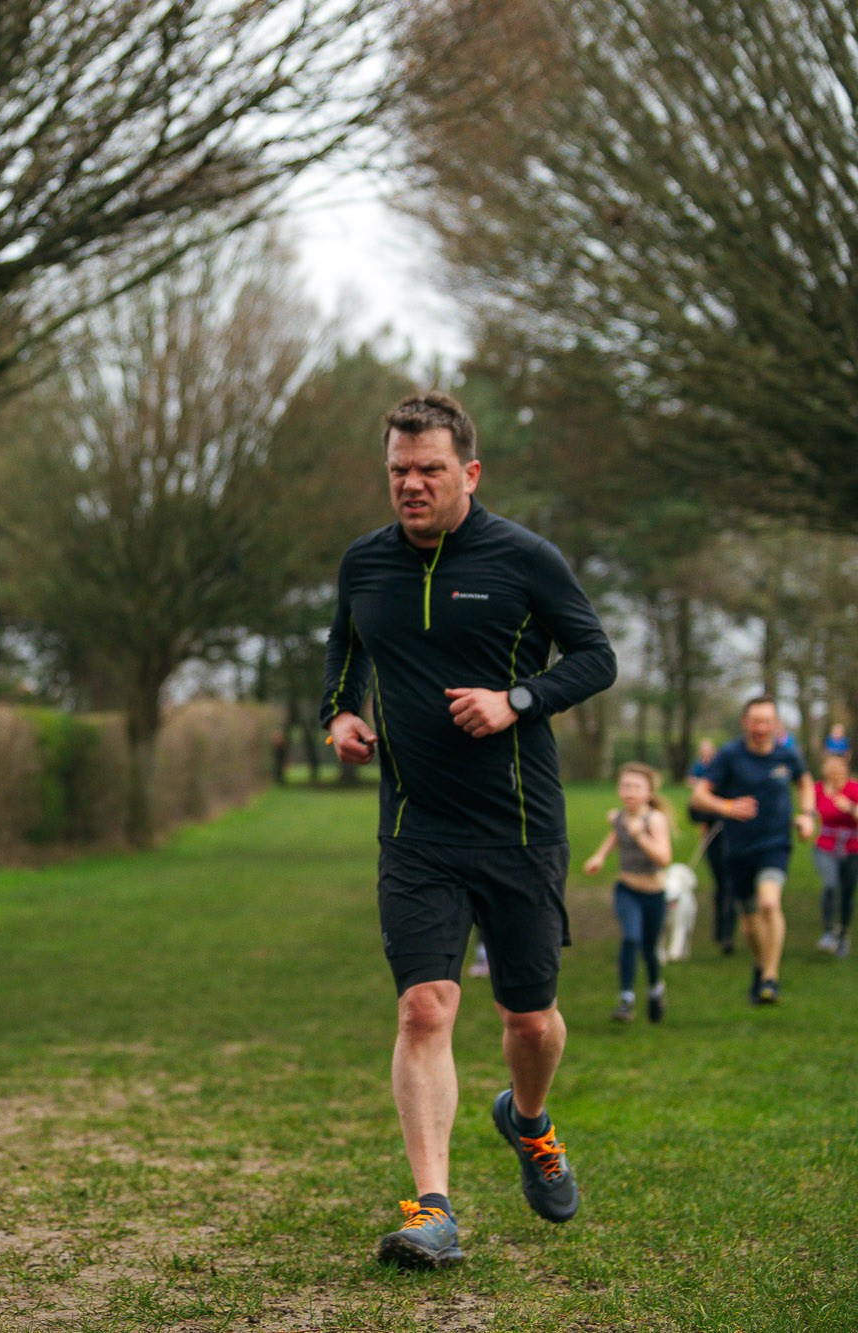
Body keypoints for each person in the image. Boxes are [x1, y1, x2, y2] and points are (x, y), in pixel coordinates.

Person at [321, 391, 616, 1271]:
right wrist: (338, 715)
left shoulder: (524, 558)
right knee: (424, 1007)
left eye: (430, 470)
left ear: (469, 473)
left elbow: (596, 655)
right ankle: (432, 1208)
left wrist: (515, 699)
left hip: (520, 825)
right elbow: (344, 651)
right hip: (415, 828)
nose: (411, 485)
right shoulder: (362, 564)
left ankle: (528, 1121)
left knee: (530, 1021)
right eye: (398, 471)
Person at [690, 697, 813, 1005]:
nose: (761, 727)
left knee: (769, 904)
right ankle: (762, 967)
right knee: (749, 923)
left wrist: (807, 815)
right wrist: (727, 806)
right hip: (739, 848)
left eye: (767, 721)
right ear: (745, 723)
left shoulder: (787, 755)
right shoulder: (730, 755)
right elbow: (699, 797)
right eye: (755, 721)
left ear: (775, 724)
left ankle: (770, 977)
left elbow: (805, 782)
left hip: (776, 843)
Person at [582, 764, 673, 1023]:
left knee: (650, 949)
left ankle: (656, 989)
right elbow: (615, 836)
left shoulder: (654, 819)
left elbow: (664, 858)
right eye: (625, 786)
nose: (629, 792)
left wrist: (641, 836)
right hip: (627, 890)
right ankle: (626, 998)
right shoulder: (620, 817)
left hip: (654, 894)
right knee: (631, 938)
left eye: (636, 787)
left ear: (649, 792)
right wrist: (598, 857)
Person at [810, 750, 858, 957]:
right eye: (830, 766)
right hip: (825, 846)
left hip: (852, 847)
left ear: (845, 768)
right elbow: (808, 812)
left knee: (847, 892)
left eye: (838, 766)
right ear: (824, 769)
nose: (834, 770)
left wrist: (851, 808)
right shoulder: (817, 789)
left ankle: (843, 933)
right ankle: (828, 931)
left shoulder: (854, 789)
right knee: (830, 885)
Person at [686, 738, 733, 953]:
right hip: (713, 839)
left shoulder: (733, 782)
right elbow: (694, 812)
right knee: (721, 885)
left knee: (730, 885)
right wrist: (713, 814)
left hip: (734, 840)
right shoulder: (706, 784)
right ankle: (719, 927)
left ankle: (727, 934)